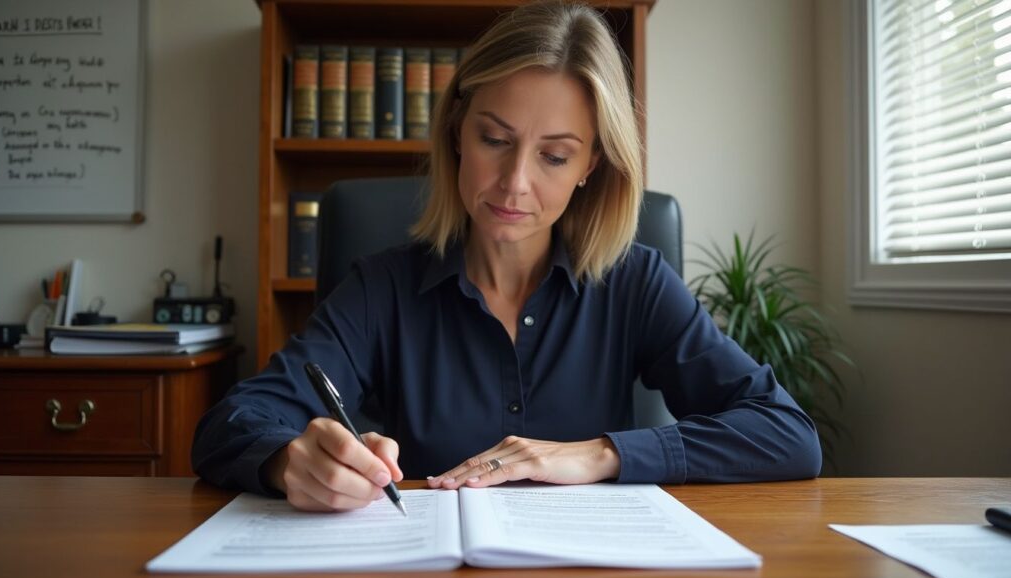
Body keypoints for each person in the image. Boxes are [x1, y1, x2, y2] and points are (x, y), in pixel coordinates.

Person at [192, 0, 821, 512]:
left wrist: (596, 453)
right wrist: (287, 462)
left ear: (590, 166)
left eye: (553, 155)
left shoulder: (635, 280)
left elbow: (788, 436)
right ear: (458, 131)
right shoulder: (382, 287)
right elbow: (231, 424)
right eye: (495, 139)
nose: (515, 182)